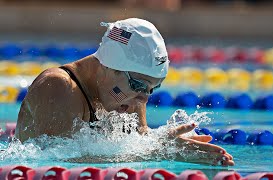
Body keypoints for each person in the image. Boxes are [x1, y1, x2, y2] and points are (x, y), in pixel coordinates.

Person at [15, 18, 234, 166]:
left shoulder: (132, 97)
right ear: (108, 67)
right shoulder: (58, 87)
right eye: (139, 85)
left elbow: (140, 141)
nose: (144, 99)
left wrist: (170, 144)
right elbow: (56, 160)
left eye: (152, 89)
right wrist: (156, 152)